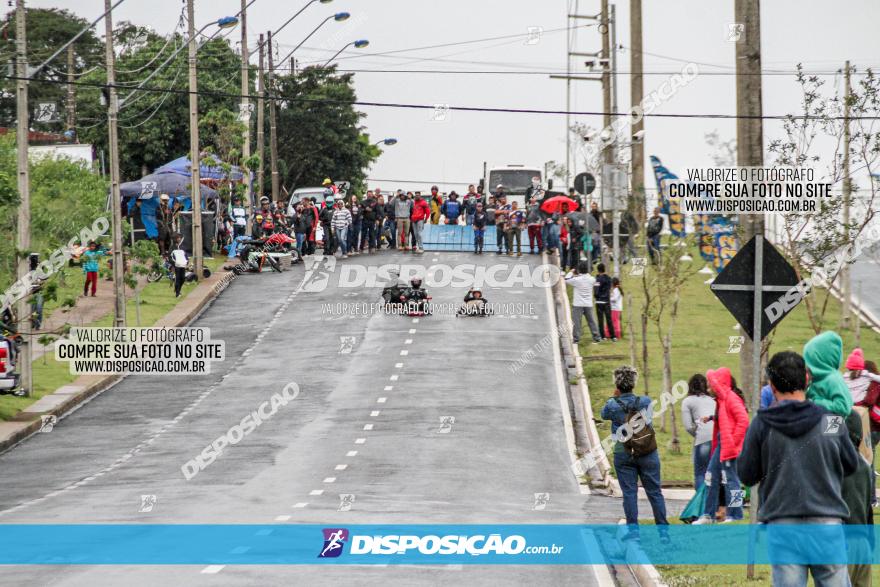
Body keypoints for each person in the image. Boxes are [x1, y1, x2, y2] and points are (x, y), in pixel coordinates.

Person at [738, 350, 858, 587]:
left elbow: (746, 474)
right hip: (827, 523)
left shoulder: (762, 424)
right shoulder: (830, 420)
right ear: (806, 378)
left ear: (771, 385)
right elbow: (851, 464)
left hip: (783, 525)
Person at [600, 365, 669, 529]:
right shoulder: (645, 402)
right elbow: (649, 420)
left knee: (630, 493)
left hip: (623, 452)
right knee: (654, 492)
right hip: (647, 451)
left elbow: (603, 414)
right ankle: (664, 532)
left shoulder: (612, 404)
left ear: (617, 384)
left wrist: (614, 397)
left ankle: (633, 531)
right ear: (634, 383)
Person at [693, 368, 749, 524]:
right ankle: (708, 514)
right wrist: (712, 418)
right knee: (711, 477)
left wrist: (734, 441)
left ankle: (736, 515)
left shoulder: (732, 399)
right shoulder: (722, 400)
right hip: (722, 443)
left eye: (711, 386)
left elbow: (743, 420)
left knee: (732, 481)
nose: (709, 389)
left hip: (729, 445)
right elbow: (728, 418)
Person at [681, 374, 716, 489]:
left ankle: (702, 502)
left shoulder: (687, 401)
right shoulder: (713, 400)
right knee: (714, 473)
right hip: (717, 438)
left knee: (701, 473)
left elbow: (688, 426)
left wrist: (698, 434)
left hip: (702, 439)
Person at [565, 260, 600, 344]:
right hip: (588, 303)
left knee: (576, 322)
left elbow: (566, 279)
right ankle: (596, 337)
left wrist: (571, 271)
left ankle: (576, 339)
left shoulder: (576, 280)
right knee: (591, 321)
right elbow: (597, 284)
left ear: (579, 269)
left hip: (577, 304)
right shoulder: (592, 279)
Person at [593, 263, 614, 342]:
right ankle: (613, 336)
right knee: (609, 319)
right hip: (607, 301)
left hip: (599, 301)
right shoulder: (609, 278)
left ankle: (603, 336)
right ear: (604, 269)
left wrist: (596, 296)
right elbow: (609, 288)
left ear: (598, 270)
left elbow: (596, 291)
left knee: (600, 320)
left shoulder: (597, 279)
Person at [494, 188, 510, 255]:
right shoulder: (498, 206)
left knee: (507, 237)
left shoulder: (509, 206)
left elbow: (509, 212)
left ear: (506, 200)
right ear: (500, 199)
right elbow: (495, 212)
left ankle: (507, 249)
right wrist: (503, 211)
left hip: (506, 224)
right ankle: (499, 249)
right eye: (502, 199)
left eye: (504, 199)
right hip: (498, 223)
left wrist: (500, 212)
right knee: (499, 237)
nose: (503, 200)